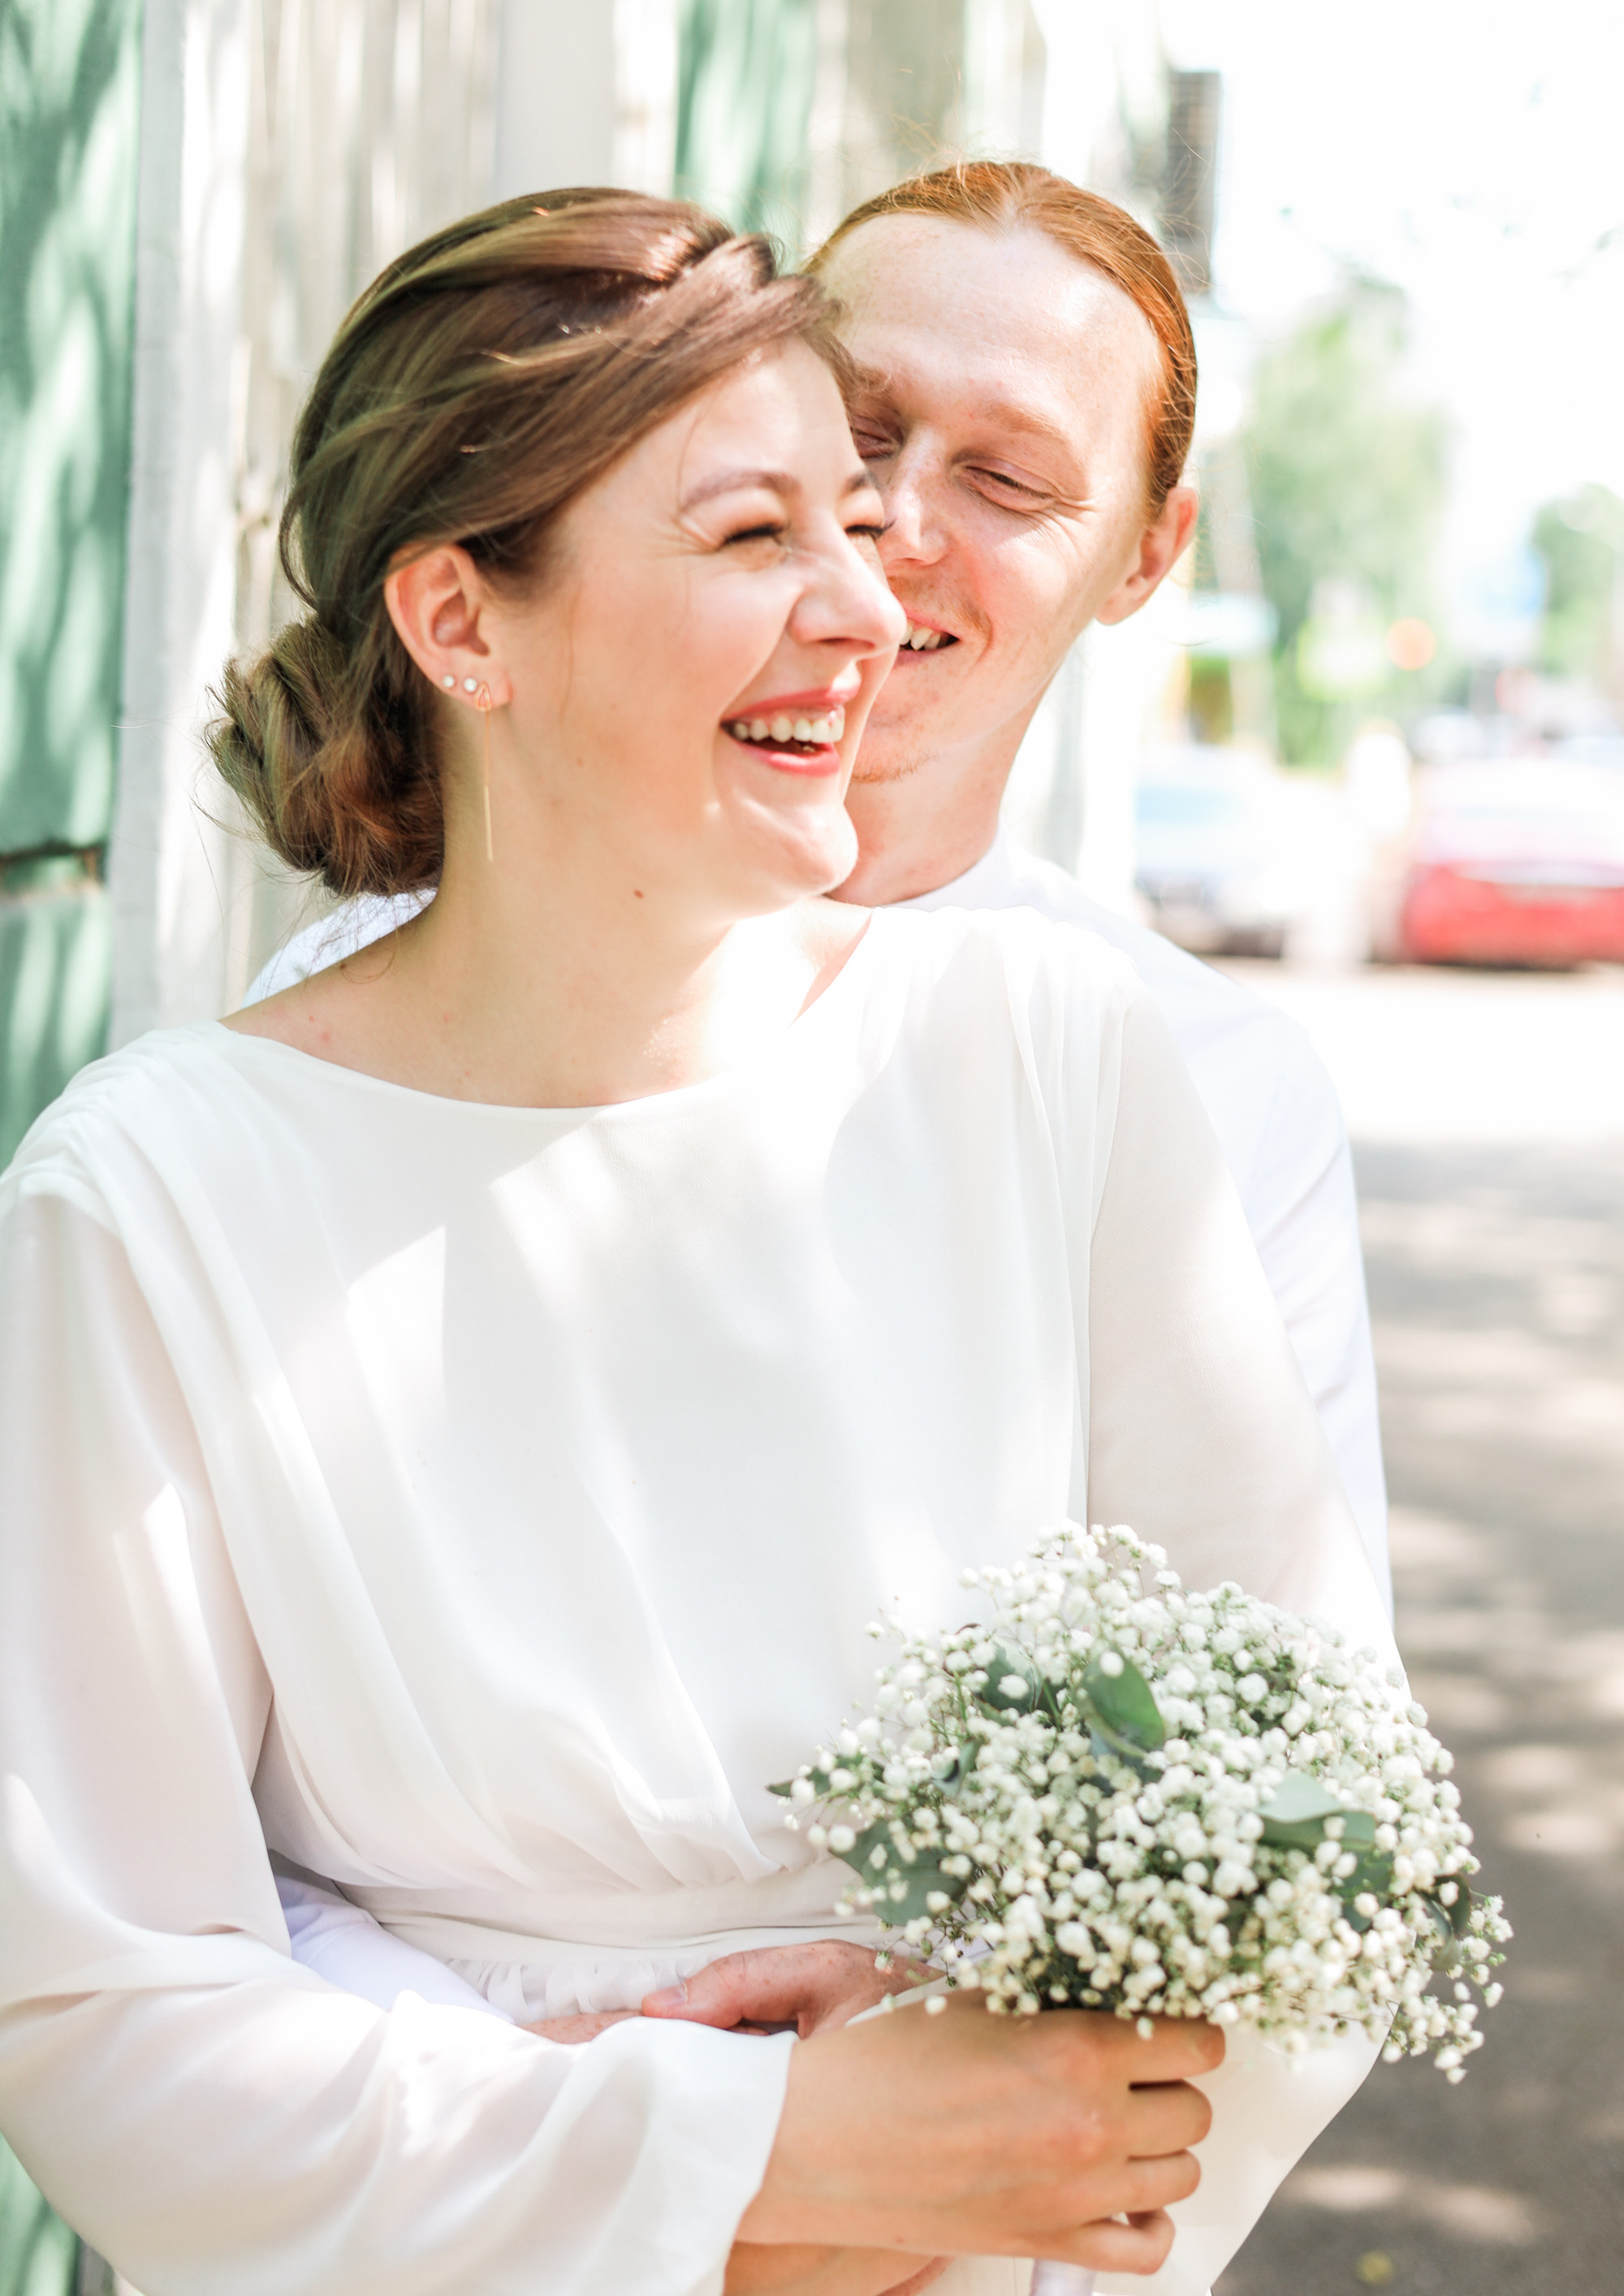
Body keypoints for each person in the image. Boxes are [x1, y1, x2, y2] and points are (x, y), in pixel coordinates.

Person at [0, 193, 1393, 2296]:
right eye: (761, 536)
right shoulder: (151, 1200)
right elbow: (102, 1998)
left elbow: (1311, 1827)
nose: (870, 596)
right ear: (465, 624)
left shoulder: (1063, 1066)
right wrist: (727, 2182)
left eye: (870, 516)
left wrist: (959, 2211)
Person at [252, 166, 1389, 1619]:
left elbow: (1291, 1710)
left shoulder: (1203, 1080)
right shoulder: (371, 1011)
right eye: (858, 427)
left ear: (1147, 557)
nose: (895, 526)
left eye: (1008, 478)